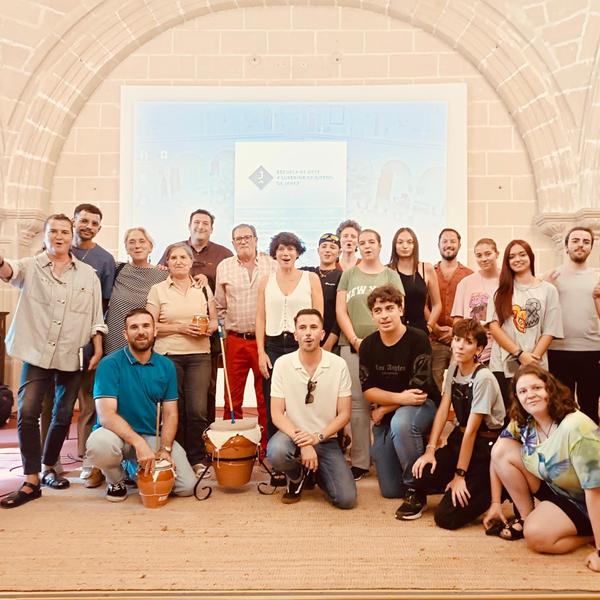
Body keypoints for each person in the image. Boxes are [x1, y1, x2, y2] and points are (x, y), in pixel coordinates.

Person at [0, 214, 106, 508]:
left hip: (72, 352)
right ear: (45, 235)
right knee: (28, 411)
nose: (59, 236)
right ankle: (31, 479)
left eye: (64, 232)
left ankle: (49, 467)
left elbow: (96, 317)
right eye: (53, 231)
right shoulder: (30, 266)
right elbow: (8, 271)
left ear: (71, 237)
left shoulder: (88, 274)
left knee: (62, 414)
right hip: (37, 352)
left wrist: (97, 348)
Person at [483, 365, 600, 573]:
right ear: (517, 398)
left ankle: (591, 535)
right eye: (523, 391)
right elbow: (497, 456)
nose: (530, 395)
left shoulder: (575, 427)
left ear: (550, 390)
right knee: (502, 449)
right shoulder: (525, 423)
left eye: (536, 388)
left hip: (589, 499)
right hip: (560, 491)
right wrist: (495, 504)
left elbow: (595, 490)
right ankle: (526, 517)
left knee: (537, 537)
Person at [86, 308, 196, 501]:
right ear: (125, 334)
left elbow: (170, 414)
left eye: (146, 326)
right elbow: (106, 415)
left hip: (151, 435)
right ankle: (116, 480)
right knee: (98, 445)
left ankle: (132, 467)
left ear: (155, 331)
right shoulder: (109, 364)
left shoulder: (166, 366)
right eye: (134, 327)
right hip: (116, 436)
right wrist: (139, 444)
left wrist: (165, 449)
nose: (141, 332)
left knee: (187, 487)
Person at [410, 319, 505, 528]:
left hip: (484, 447)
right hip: (459, 440)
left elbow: (472, 431)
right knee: (417, 474)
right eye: (457, 339)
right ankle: (456, 482)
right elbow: (443, 410)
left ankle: (494, 487)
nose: (460, 346)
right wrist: (430, 450)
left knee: (446, 517)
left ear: (479, 349)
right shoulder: (453, 369)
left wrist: (459, 475)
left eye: (468, 342)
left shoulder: (483, 378)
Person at [359, 284, 439, 517]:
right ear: (372, 316)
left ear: (401, 310)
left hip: (422, 405)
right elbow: (368, 391)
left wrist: (385, 408)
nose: (384, 315)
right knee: (391, 490)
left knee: (401, 423)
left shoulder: (418, 338)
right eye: (378, 310)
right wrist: (395, 400)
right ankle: (431, 475)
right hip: (393, 407)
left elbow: (418, 393)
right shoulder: (368, 345)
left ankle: (417, 489)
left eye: (389, 308)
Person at [267, 309, 356, 509]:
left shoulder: (338, 364)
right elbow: (276, 414)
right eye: (302, 328)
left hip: (325, 437)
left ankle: (316, 473)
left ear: (322, 334)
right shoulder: (282, 364)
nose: (308, 333)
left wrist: (316, 438)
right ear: (295, 334)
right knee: (276, 451)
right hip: (292, 435)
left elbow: (344, 414)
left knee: (346, 500)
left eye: (314, 327)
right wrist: (304, 443)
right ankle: (296, 476)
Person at [336, 229, 405, 480]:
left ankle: (390, 458)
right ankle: (360, 462)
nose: (366, 246)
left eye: (371, 242)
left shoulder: (391, 275)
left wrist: (380, 342)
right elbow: (341, 311)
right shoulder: (349, 274)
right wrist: (355, 340)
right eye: (362, 242)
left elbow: (399, 309)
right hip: (352, 346)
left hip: (387, 348)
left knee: (388, 401)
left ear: (379, 245)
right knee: (357, 404)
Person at [146, 243, 217, 475]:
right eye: (173, 257)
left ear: (191, 261)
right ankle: (176, 457)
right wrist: (180, 328)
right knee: (174, 409)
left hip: (200, 355)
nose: (178, 261)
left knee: (197, 410)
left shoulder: (203, 288)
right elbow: (151, 326)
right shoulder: (158, 289)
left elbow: (214, 321)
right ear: (167, 262)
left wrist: (209, 328)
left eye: (183, 257)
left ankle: (197, 458)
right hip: (168, 356)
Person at [158, 209, 233, 428]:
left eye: (205, 223)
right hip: (174, 337)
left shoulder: (223, 253)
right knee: (177, 396)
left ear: (212, 228)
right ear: (189, 225)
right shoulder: (174, 249)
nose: (201, 226)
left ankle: (205, 433)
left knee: (206, 388)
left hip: (207, 333)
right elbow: (162, 275)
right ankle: (176, 437)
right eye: (197, 222)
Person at [214, 224, 277, 452]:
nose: (243, 241)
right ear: (232, 243)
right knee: (232, 397)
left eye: (247, 237)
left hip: (264, 342)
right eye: (238, 238)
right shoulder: (225, 267)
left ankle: (266, 448)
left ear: (256, 239)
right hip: (235, 340)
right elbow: (220, 305)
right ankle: (233, 446)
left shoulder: (272, 264)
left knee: (265, 397)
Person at [256, 232, 323, 440]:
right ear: (274, 253)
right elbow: (260, 318)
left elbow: (319, 316)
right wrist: (261, 352)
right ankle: (276, 449)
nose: (286, 253)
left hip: (302, 346)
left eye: (291, 249)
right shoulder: (265, 281)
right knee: (273, 398)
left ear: (298, 253)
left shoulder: (310, 278)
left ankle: (308, 444)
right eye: (281, 249)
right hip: (273, 346)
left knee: (304, 397)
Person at [487, 239, 563, 408]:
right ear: (507, 261)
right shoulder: (500, 292)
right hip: (503, 364)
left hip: (536, 362)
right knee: (509, 414)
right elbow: (494, 327)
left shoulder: (548, 290)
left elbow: (550, 330)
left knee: (535, 411)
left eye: (522, 254)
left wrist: (531, 359)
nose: (517, 259)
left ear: (530, 257)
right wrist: (520, 354)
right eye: (512, 256)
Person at [545, 227, 600, 423]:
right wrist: (548, 289)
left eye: (586, 242)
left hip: (592, 349)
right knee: (561, 408)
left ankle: (590, 443)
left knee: (590, 407)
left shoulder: (598, 276)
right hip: (558, 350)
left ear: (591, 247)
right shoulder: (551, 276)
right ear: (566, 246)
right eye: (575, 240)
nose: (580, 245)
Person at [104, 227, 167, 356]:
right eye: (132, 242)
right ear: (126, 248)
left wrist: (202, 278)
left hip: (144, 342)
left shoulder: (163, 275)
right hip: (114, 341)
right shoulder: (116, 268)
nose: (137, 246)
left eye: (142, 241)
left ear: (150, 247)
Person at [430, 228, 473, 392]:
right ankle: (438, 409)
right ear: (438, 245)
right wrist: (435, 327)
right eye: (445, 241)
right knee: (434, 382)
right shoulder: (430, 273)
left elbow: (472, 309)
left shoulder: (469, 275)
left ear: (459, 245)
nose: (448, 245)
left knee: (462, 382)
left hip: (462, 339)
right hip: (435, 338)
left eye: (452, 241)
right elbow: (424, 305)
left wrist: (456, 331)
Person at [451, 238, 500, 365]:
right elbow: (458, 321)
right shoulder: (465, 283)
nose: (484, 259)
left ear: (497, 254)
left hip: (501, 350)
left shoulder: (508, 281)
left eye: (488, 254)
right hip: (473, 352)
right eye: (479, 255)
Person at [388, 227, 441, 334]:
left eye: (409, 242)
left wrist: (429, 327)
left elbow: (437, 304)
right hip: (394, 330)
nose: (405, 246)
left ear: (415, 245)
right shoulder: (387, 270)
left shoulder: (426, 268)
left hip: (420, 330)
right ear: (394, 245)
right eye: (400, 242)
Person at [301, 233, 342, 351]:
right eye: (324, 246)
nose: (327, 250)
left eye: (332, 247)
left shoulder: (342, 277)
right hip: (306, 338)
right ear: (318, 250)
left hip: (331, 342)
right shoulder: (307, 273)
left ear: (339, 252)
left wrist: (329, 344)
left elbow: (341, 313)